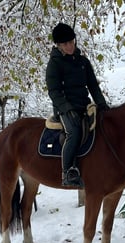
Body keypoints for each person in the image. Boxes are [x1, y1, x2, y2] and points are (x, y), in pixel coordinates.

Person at [46, 22, 110, 188]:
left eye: (72, 42)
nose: (70, 46)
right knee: (73, 132)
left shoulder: (83, 62)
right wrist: (67, 109)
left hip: (84, 105)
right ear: (59, 45)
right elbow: (54, 91)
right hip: (65, 108)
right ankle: (67, 172)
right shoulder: (55, 63)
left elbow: (93, 86)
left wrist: (102, 104)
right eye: (66, 43)